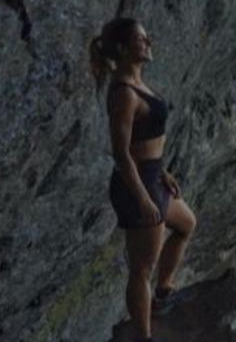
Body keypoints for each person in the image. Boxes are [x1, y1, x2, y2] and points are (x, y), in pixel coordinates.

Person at [89, 17, 197, 342]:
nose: (148, 42)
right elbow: (122, 154)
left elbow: (144, 139)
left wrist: (162, 172)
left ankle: (164, 290)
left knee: (186, 224)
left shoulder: (139, 84)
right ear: (122, 48)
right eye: (140, 39)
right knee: (141, 268)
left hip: (152, 176)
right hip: (136, 184)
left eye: (147, 37)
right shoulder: (124, 93)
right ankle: (143, 336)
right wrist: (144, 199)